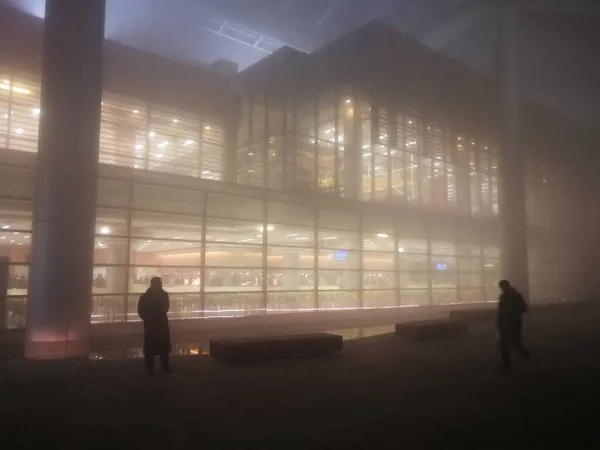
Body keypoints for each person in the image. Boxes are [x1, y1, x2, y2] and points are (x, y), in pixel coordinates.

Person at [138, 277, 171, 374]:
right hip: (161, 323)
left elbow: (140, 310)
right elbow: (166, 308)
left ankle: (150, 368)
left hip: (150, 325)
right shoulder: (164, 295)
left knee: (150, 347)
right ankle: (164, 367)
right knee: (163, 347)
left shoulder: (144, 296)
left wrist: (147, 319)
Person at [497, 279, 530, 370]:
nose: (501, 289)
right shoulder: (515, 296)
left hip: (509, 323)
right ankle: (522, 355)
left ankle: (508, 364)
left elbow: (501, 311)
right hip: (513, 322)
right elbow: (524, 308)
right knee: (511, 343)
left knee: (507, 344)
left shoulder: (506, 297)